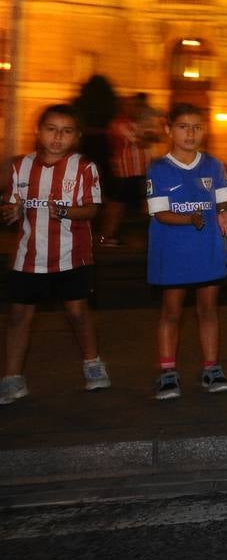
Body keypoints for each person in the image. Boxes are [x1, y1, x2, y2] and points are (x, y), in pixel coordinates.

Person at [0, 105, 110, 405]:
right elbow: (11, 204)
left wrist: (63, 211)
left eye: (66, 131)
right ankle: (12, 377)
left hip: (71, 255)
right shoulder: (20, 166)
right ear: (38, 131)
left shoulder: (84, 167)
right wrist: (12, 211)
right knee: (19, 315)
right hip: (28, 255)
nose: (58, 137)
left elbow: (92, 209)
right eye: (51, 129)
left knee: (77, 312)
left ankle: (92, 363)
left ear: (77, 136)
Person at [146, 103, 227, 399]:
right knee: (171, 311)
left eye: (197, 127)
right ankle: (167, 372)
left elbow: (223, 199)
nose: (190, 133)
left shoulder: (214, 165)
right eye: (183, 126)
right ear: (168, 130)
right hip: (173, 251)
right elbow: (160, 213)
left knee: (208, 309)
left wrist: (223, 212)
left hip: (208, 249)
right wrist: (190, 219)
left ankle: (212, 368)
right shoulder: (159, 169)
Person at [98, 94, 155, 247]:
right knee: (117, 206)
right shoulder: (119, 124)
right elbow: (143, 140)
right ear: (122, 107)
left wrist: (148, 134)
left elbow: (154, 137)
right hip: (126, 173)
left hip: (141, 172)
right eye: (130, 105)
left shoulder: (135, 123)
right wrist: (147, 135)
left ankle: (153, 238)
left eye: (136, 105)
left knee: (147, 203)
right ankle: (105, 237)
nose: (134, 108)